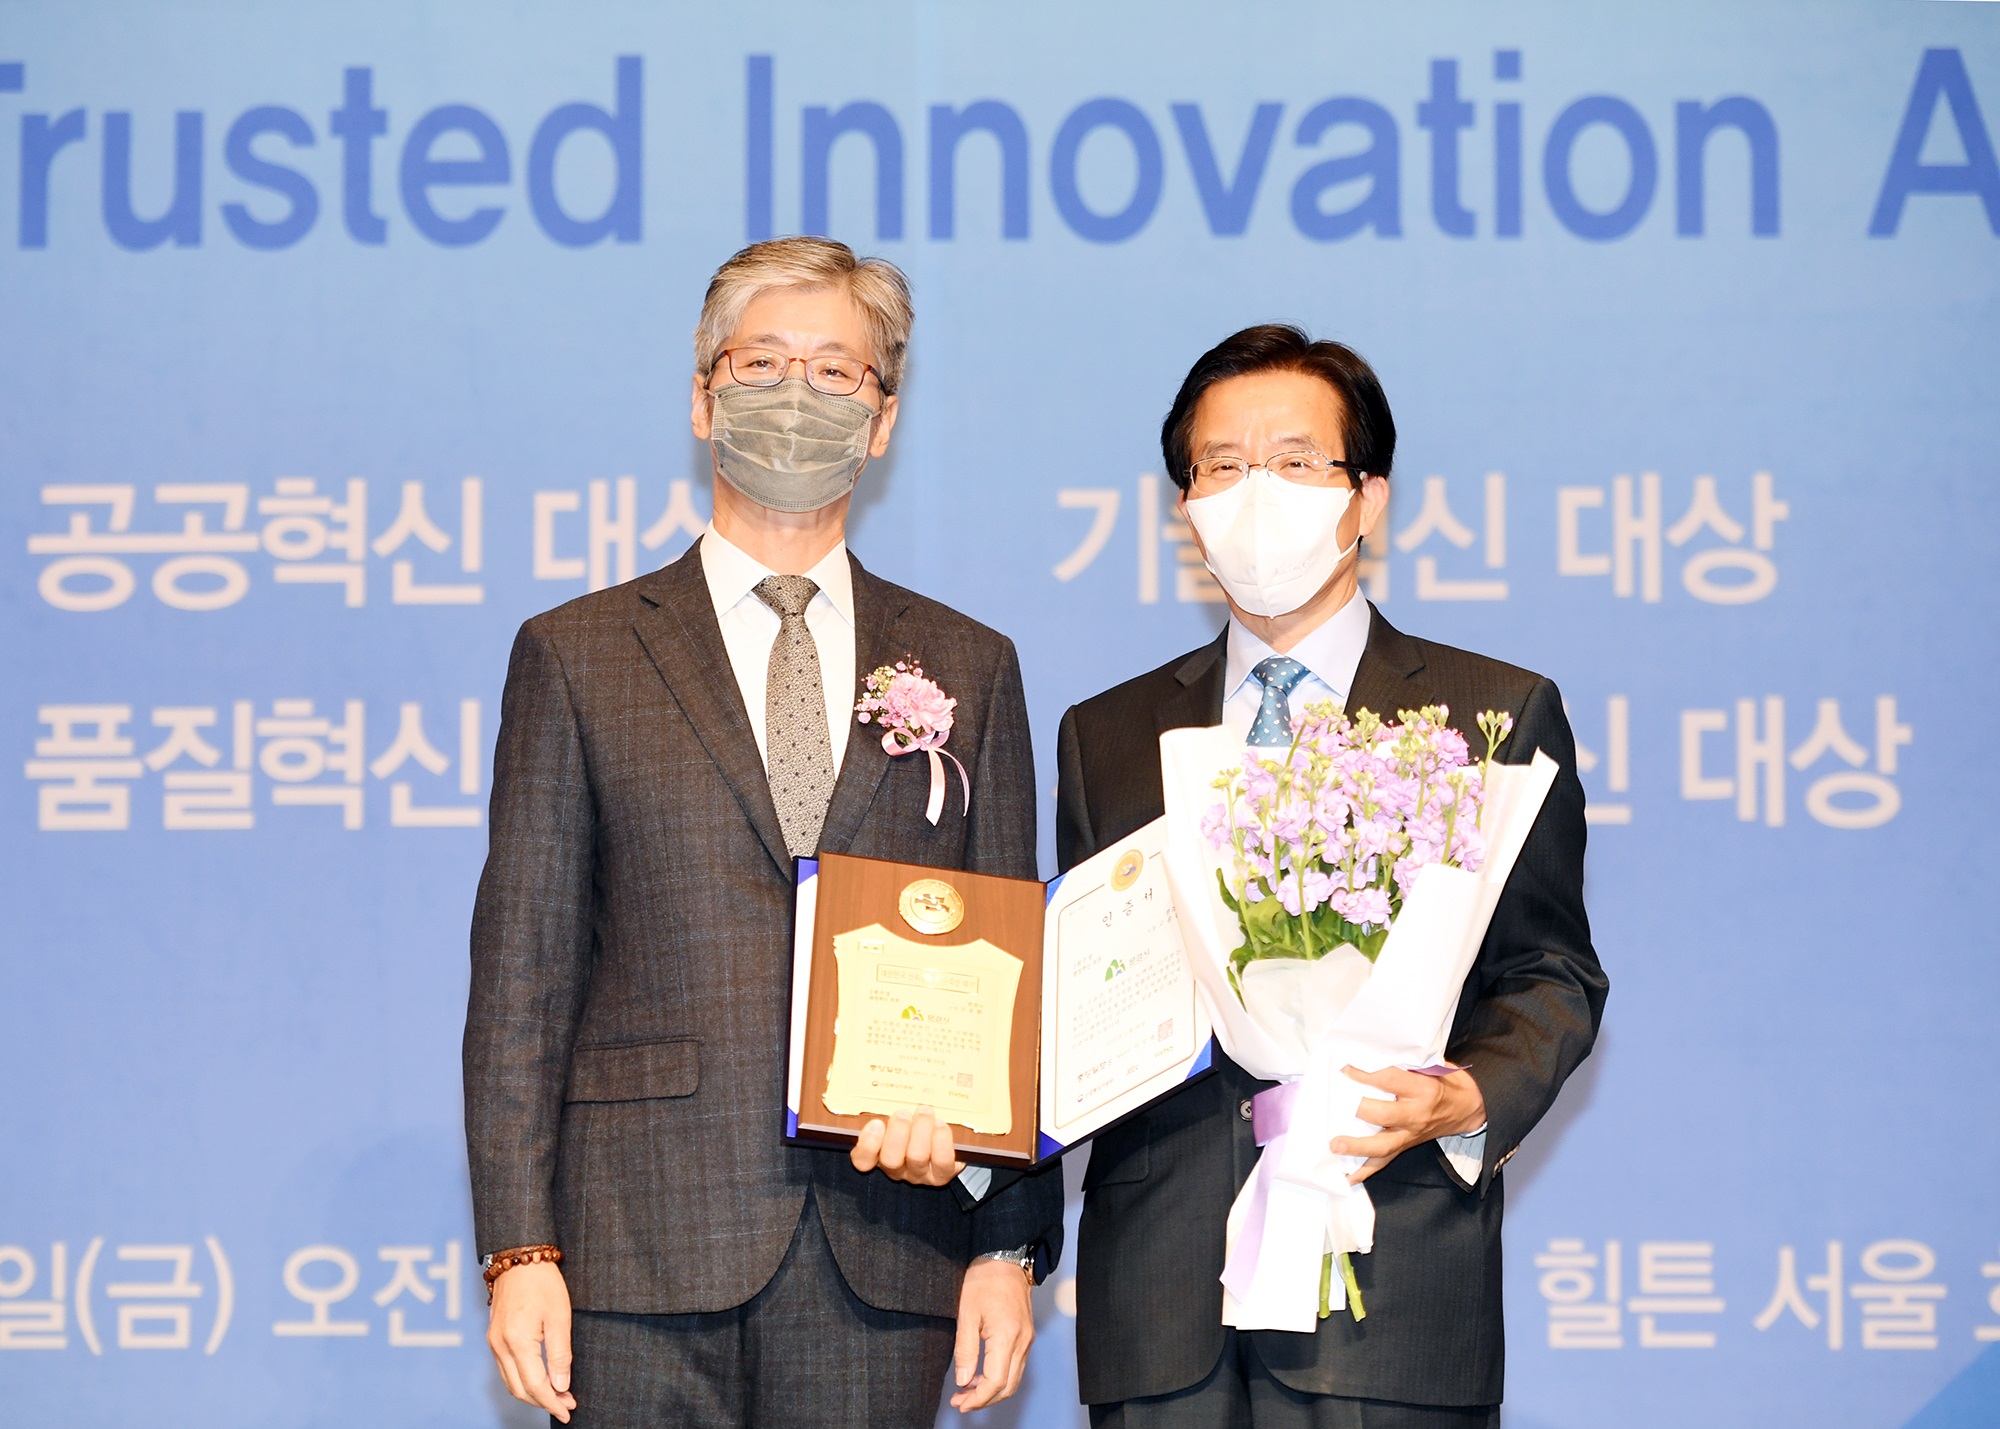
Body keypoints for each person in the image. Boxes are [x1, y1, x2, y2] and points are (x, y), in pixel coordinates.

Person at [464, 236, 1063, 1429]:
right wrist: (520, 1249)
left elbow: (1012, 976)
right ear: (703, 398)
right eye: (762, 362)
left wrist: (1006, 1246)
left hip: (885, 1239)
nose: (797, 394)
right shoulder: (578, 653)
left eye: (836, 371)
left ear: (882, 421)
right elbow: (525, 973)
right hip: (639, 1243)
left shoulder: (968, 663)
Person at [1057, 325, 1607, 1426]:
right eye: (1221, 465)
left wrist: (1469, 1094)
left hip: (1392, 1273)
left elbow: (1550, 970)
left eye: (1296, 462)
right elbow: (1078, 994)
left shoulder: (1487, 713)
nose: (1255, 492)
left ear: (1367, 499)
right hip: (1161, 1299)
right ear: (1185, 507)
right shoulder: (1105, 733)